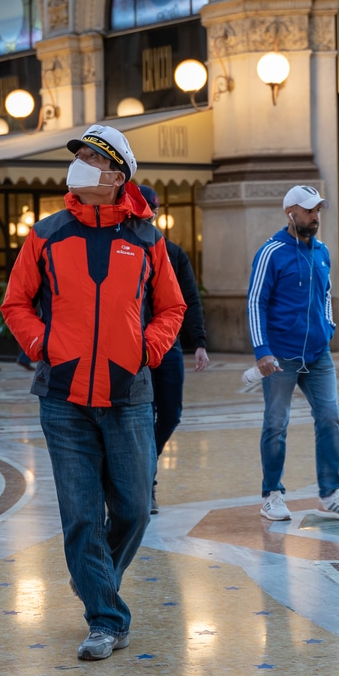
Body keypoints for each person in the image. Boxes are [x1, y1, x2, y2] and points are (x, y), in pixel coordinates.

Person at [2, 124, 185, 661]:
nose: (79, 164)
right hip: (62, 397)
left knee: (131, 508)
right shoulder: (47, 233)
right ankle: (106, 618)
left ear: (116, 175)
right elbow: (16, 302)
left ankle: (93, 578)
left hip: (129, 393)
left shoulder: (148, 239)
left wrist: (148, 350)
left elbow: (172, 307)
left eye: (90, 158)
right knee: (82, 514)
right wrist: (43, 343)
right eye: (77, 156)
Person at [247, 185, 339, 523]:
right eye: (309, 210)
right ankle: (272, 495)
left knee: (330, 417)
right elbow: (256, 302)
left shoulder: (322, 251)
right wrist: (262, 351)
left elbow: (327, 294)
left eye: (318, 211)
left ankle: (330, 494)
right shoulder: (271, 252)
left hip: (318, 355)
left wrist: (328, 328)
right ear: (291, 212)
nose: (315, 217)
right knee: (276, 423)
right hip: (280, 356)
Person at [137, 185, 209, 515]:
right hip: (133, 348)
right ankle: (144, 484)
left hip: (168, 346)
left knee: (170, 414)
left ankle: (143, 470)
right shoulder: (126, 247)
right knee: (140, 414)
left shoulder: (174, 253)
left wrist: (200, 343)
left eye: (152, 209)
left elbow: (189, 299)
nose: (149, 214)